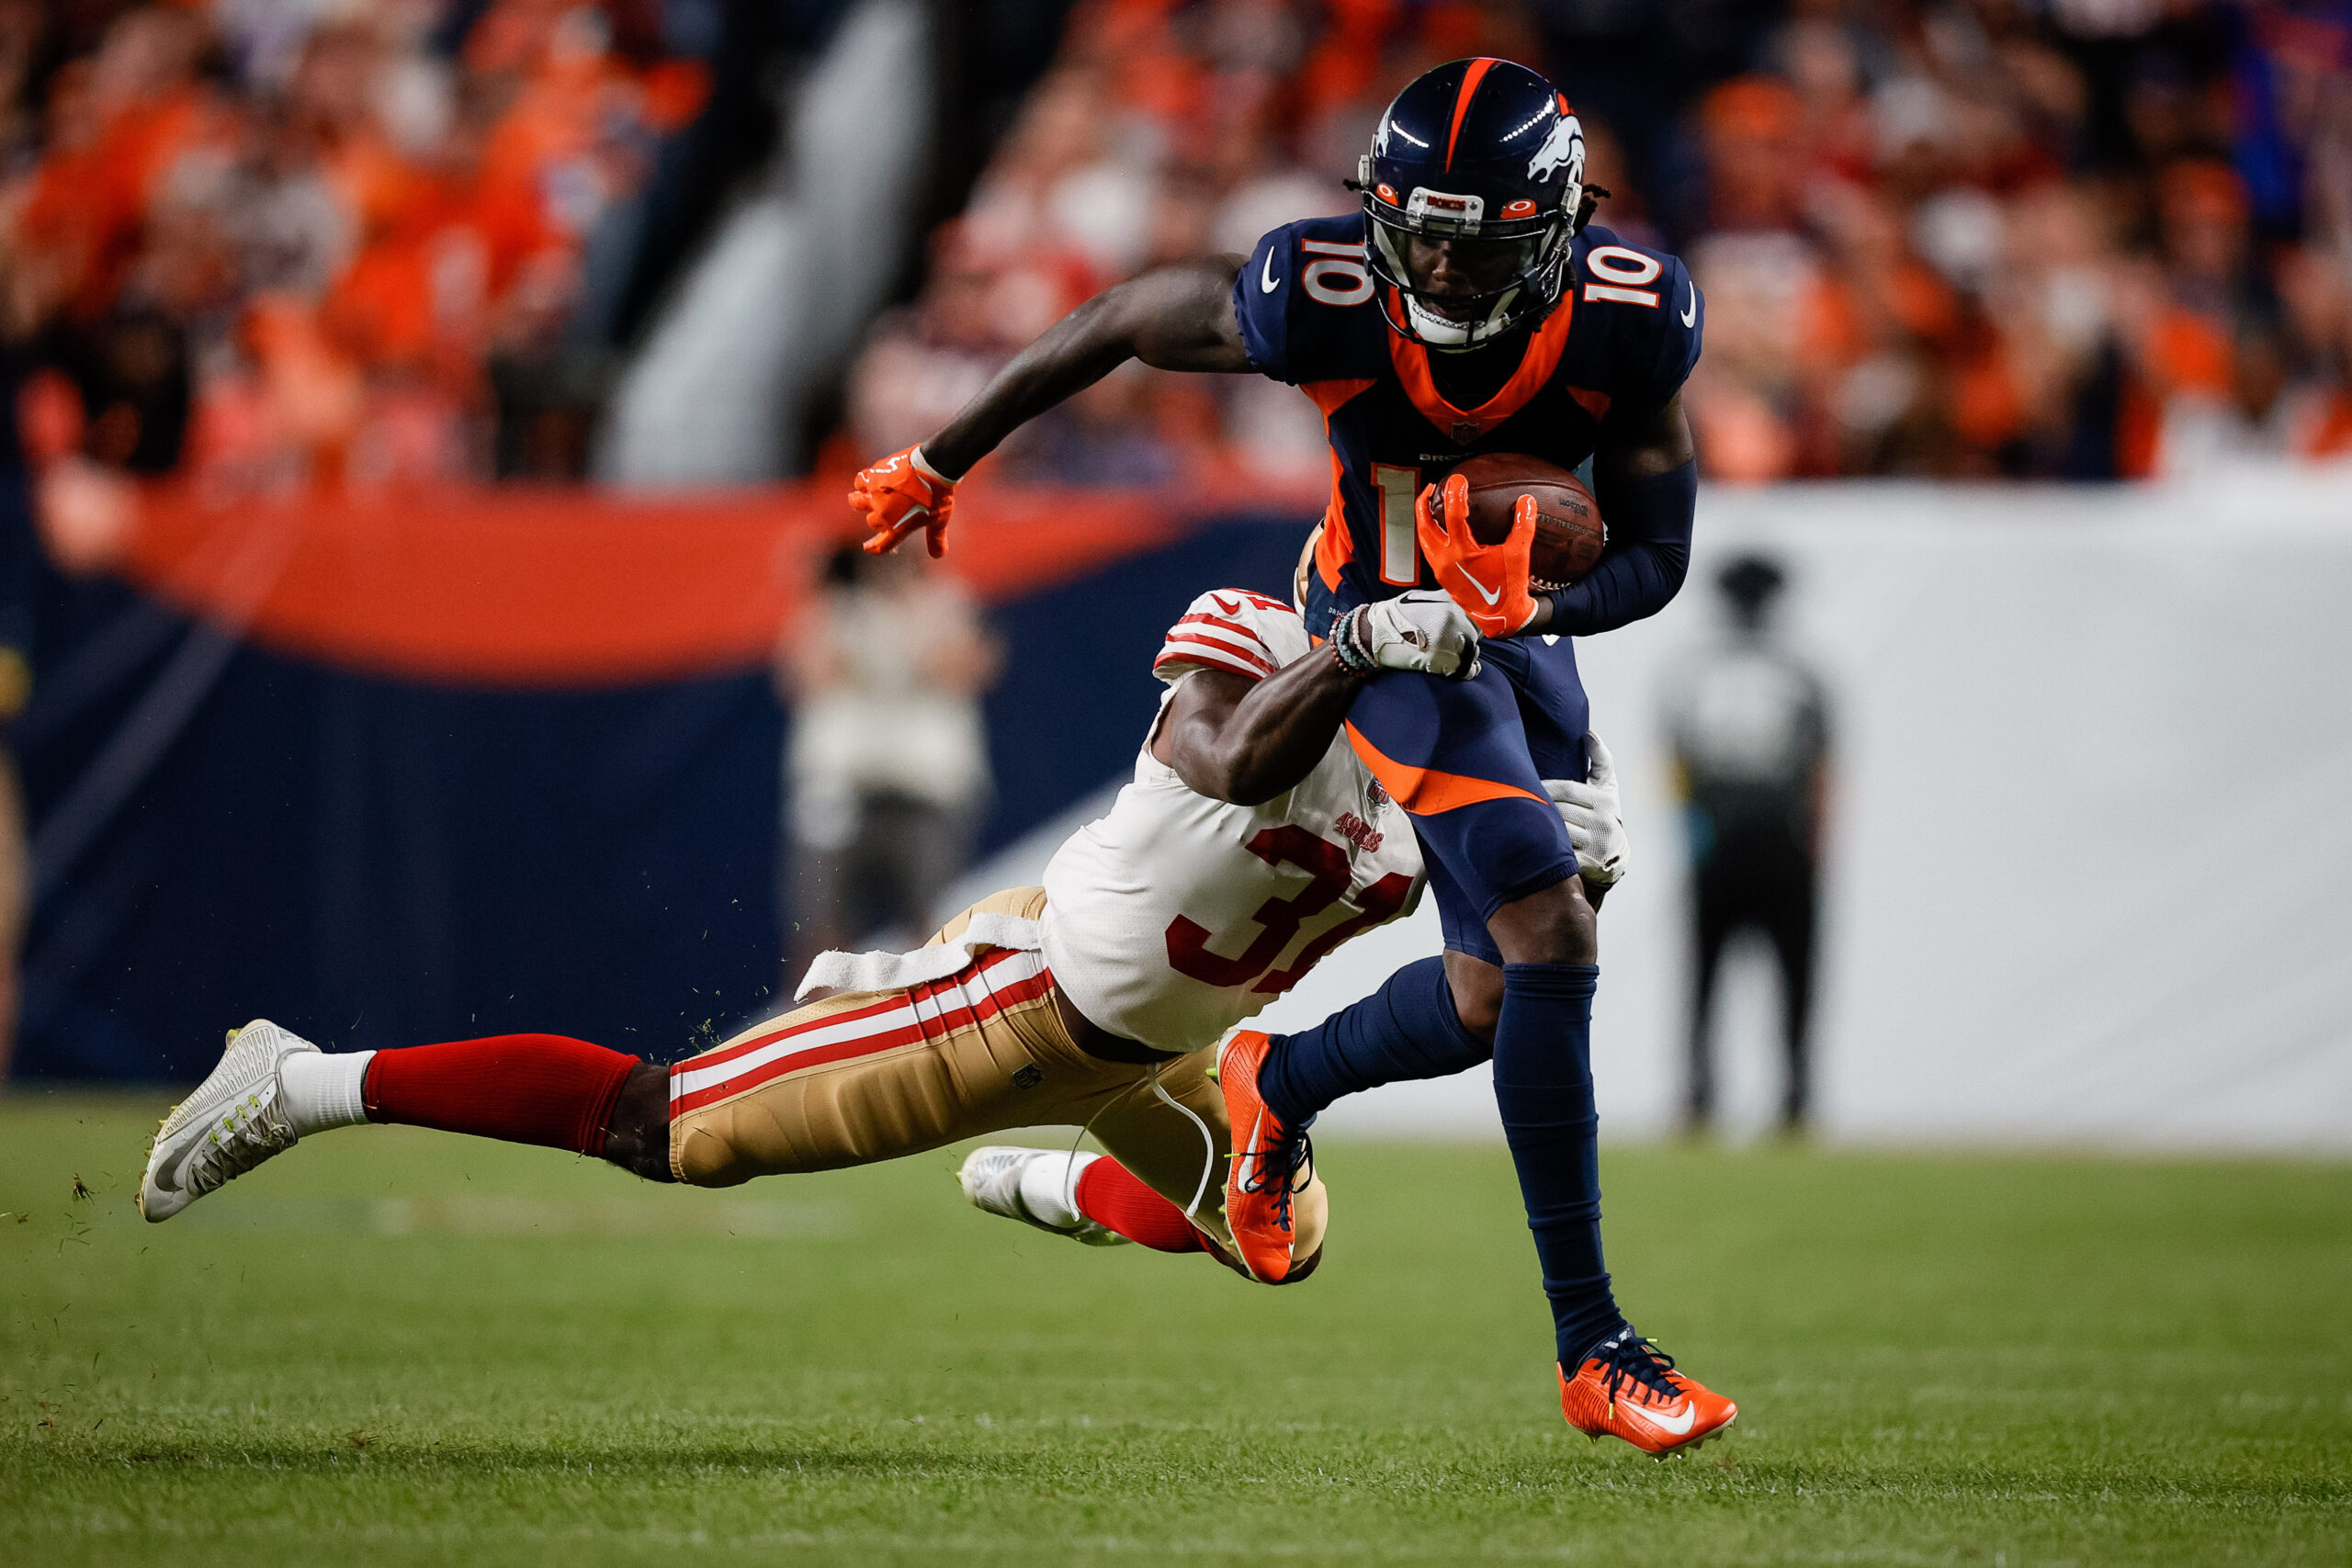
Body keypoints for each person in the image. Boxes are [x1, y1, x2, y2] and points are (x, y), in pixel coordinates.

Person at [845, 57, 1734, 1456]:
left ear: (1556, 227)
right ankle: (1595, 1344)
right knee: (1552, 930)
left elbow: (1660, 556)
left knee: (1494, 998)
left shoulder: (1632, 316)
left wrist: (1537, 606)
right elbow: (1122, 318)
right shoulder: (1314, 286)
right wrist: (944, 457)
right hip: (1373, 618)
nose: (1436, 259)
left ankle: (1281, 1078)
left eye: (1477, 236)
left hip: (1511, 629)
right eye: (1418, 224)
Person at [140, 585, 1549, 1284]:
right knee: (673, 1125)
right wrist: (1357, 643)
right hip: (1021, 995)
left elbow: (1496, 958)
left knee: (1276, 1241)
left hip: (1156, 1050)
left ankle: (1049, 1186)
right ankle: (298, 1078)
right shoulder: (1264, 641)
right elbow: (1221, 753)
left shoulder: (1441, 776)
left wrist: (1546, 851)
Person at [1661, 555, 1832, 1136]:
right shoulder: (1792, 675)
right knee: (1716, 976)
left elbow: (1677, 761)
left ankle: (1782, 1096)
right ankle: (1716, 1094)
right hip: (1751, 841)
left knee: (1767, 976)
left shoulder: (1704, 674)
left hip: (1753, 841)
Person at [778, 540, 1001, 978]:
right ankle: (813, 1039)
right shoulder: (836, 609)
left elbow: (961, 667)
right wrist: (829, 599)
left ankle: (926, 1040)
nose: (893, 563)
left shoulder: (948, 603)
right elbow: (810, 674)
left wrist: (906, 619)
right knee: (818, 936)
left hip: (925, 792)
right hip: (839, 788)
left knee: (933, 937)